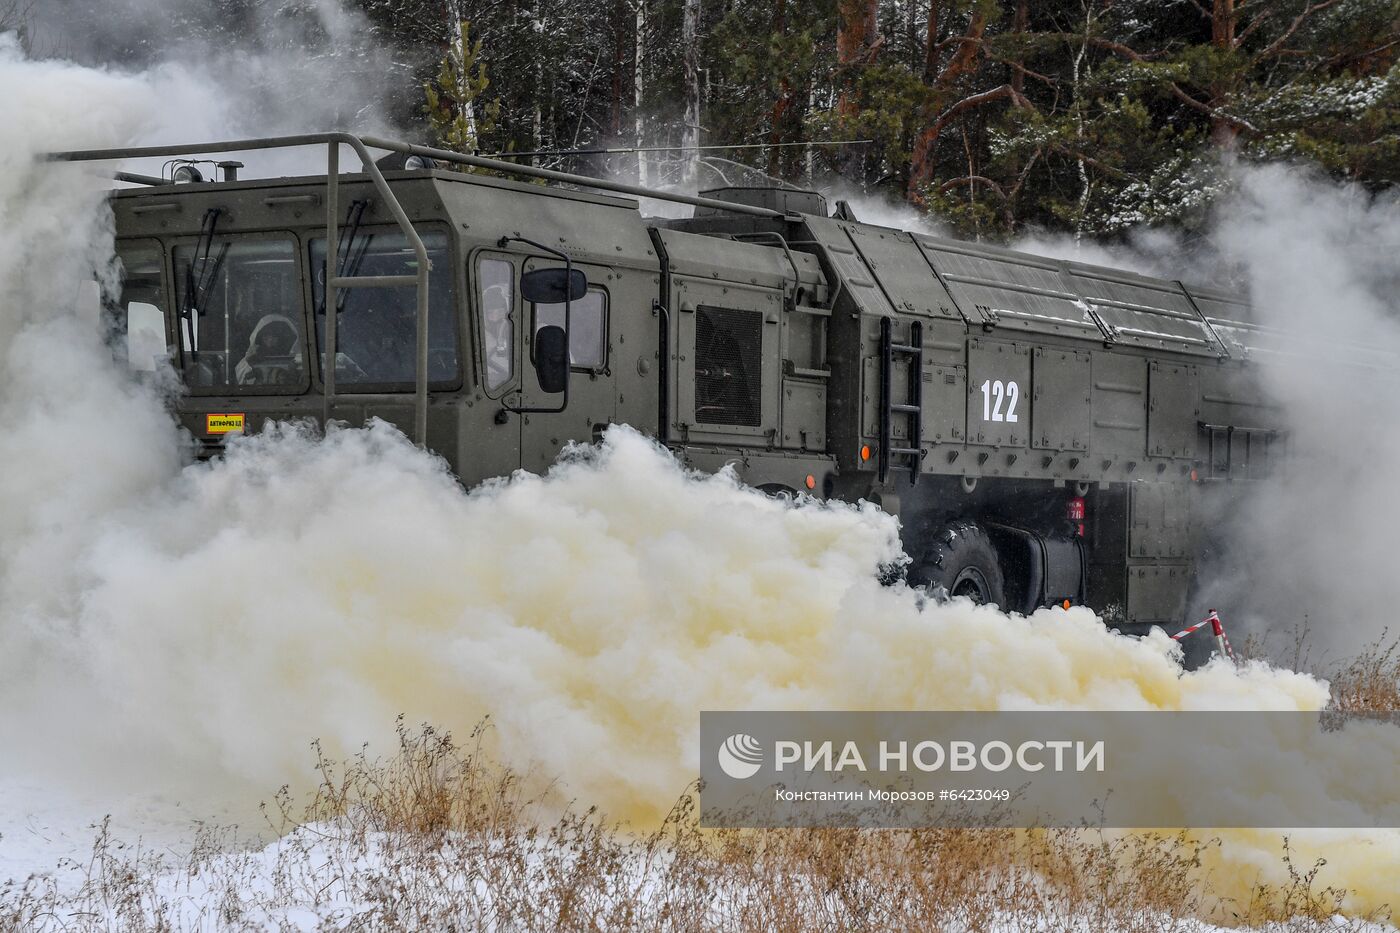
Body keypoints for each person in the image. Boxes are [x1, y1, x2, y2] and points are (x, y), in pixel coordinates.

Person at [236, 314, 302, 385]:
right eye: (266, 335)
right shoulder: (250, 358)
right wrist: (251, 365)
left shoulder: (297, 357)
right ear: (260, 337)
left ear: (282, 337)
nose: (270, 340)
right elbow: (241, 377)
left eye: (274, 336)